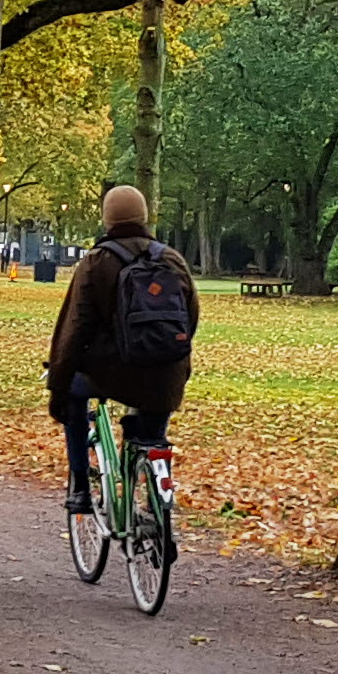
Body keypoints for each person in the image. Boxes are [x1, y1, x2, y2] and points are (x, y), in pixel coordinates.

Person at [46, 183, 199, 513]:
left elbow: (74, 330)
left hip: (113, 373)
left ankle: (79, 487)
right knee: (152, 433)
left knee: (74, 392)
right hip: (167, 374)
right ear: (144, 216)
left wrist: (57, 386)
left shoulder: (97, 262)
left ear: (107, 220)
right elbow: (191, 318)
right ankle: (157, 503)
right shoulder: (172, 259)